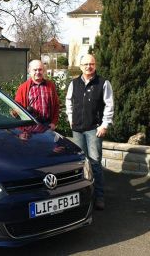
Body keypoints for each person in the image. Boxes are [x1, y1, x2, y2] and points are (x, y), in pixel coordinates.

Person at [65, 54, 114, 210]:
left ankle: (99, 196)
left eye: (91, 64)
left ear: (95, 65)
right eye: (85, 64)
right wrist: (70, 118)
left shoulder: (103, 83)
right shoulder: (73, 83)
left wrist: (105, 124)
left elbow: (109, 105)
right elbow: (68, 102)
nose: (88, 66)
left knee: (94, 163)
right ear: (80, 66)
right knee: (80, 163)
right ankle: (83, 195)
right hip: (77, 129)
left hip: (94, 129)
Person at [15, 60, 60, 131]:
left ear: (43, 70)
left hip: (47, 125)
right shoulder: (23, 88)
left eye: (40, 69)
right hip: (30, 125)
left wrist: (54, 123)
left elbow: (56, 106)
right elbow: (17, 107)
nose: (38, 72)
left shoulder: (50, 86)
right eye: (35, 70)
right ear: (29, 71)